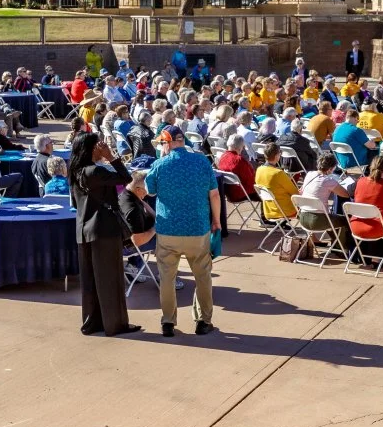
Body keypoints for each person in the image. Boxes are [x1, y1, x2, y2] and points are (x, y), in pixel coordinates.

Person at [145, 125, 220, 338]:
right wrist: (216, 221)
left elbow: (150, 190)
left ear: (167, 142)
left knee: (167, 277)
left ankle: (168, 321)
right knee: (203, 276)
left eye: (162, 143)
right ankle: (203, 321)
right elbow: (214, 195)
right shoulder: (202, 161)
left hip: (168, 230)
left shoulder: (160, 164)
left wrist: (160, 160)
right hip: (197, 229)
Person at [69, 133, 140, 336]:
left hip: (84, 229)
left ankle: (93, 322)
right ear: (93, 149)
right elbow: (126, 178)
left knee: (91, 280)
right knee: (111, 279)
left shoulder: (75, 171)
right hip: (104, 229)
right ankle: (115, 324)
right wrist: (111, 157)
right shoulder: (95, 171)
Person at [299, 152, 354, 249]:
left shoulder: (309, 174)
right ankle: (342, 247)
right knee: (345, 220)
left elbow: (302, 190)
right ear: (330, 169)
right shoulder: (328, 181)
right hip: (317, 220)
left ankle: (336, 243)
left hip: (303, 218)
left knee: (332, 218)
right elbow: (345, 194)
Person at [254, 143, 299, 221]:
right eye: (280, 153)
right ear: (276, 156)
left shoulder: (259, 170)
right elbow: (295, 193)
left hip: (268, 211)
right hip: (285, 211)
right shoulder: (278, 173)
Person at [217, 135, 260, 202]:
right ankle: (265, 212)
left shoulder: (223, 156)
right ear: (240, 147)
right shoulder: (239, 160)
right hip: (241, 194)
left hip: (228, 193)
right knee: (268, 193)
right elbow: (251, 180)